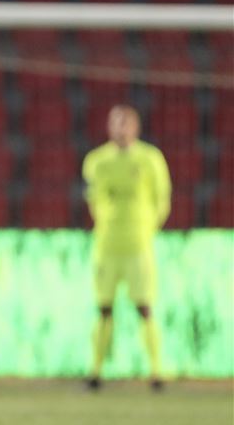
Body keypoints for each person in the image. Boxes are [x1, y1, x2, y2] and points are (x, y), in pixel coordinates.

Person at [82, 105, 171, 391]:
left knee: (144, 307)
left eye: (125, 124)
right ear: (109, 128)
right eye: (115, 124)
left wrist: (146, 229)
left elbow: (162, 199)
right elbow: (94, 201)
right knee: (103, 309)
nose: (120, 129)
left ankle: (156, 372)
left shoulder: (150, 159)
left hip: (138, 246)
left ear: (136, 127)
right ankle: (95, 371)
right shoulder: (96, 161)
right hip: (107, 245)